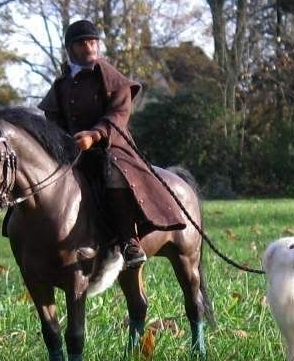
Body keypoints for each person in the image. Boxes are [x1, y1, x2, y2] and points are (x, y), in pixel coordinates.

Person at [38, 19, 186, 268]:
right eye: (83, 43)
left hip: (112, 147)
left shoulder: (111, 78)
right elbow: (53, 118)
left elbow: (118, 114)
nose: (89, 47)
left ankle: (130, 241)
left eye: (93, 41)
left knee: (115, 175)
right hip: (73, 150)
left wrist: (94, 135)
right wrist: (63, 141)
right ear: (70, 49)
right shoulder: (62, 85)